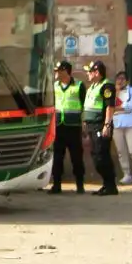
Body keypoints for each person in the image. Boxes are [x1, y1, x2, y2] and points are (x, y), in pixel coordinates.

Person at [48, 60, 87, 195]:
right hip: (58, 126)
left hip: (73, 126)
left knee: (76, 157)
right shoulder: (54, 86)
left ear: (65, 71)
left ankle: (80, 185)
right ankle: (56, 185)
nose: (57, 74)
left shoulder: (79, 85)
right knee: (57, 157)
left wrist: (84, 123)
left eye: (59, 71)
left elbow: (84, 105)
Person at [82, 60, 119, 196]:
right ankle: (106, 184)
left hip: (101, 125)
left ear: (96, 72)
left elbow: (110, 107)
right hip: (92, 125)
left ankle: (111, 185)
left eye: (89, 71)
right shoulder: (92, 87)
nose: (87, 74)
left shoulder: (106, 86)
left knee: (101, 156)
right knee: (96, 155)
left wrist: (107, 125)